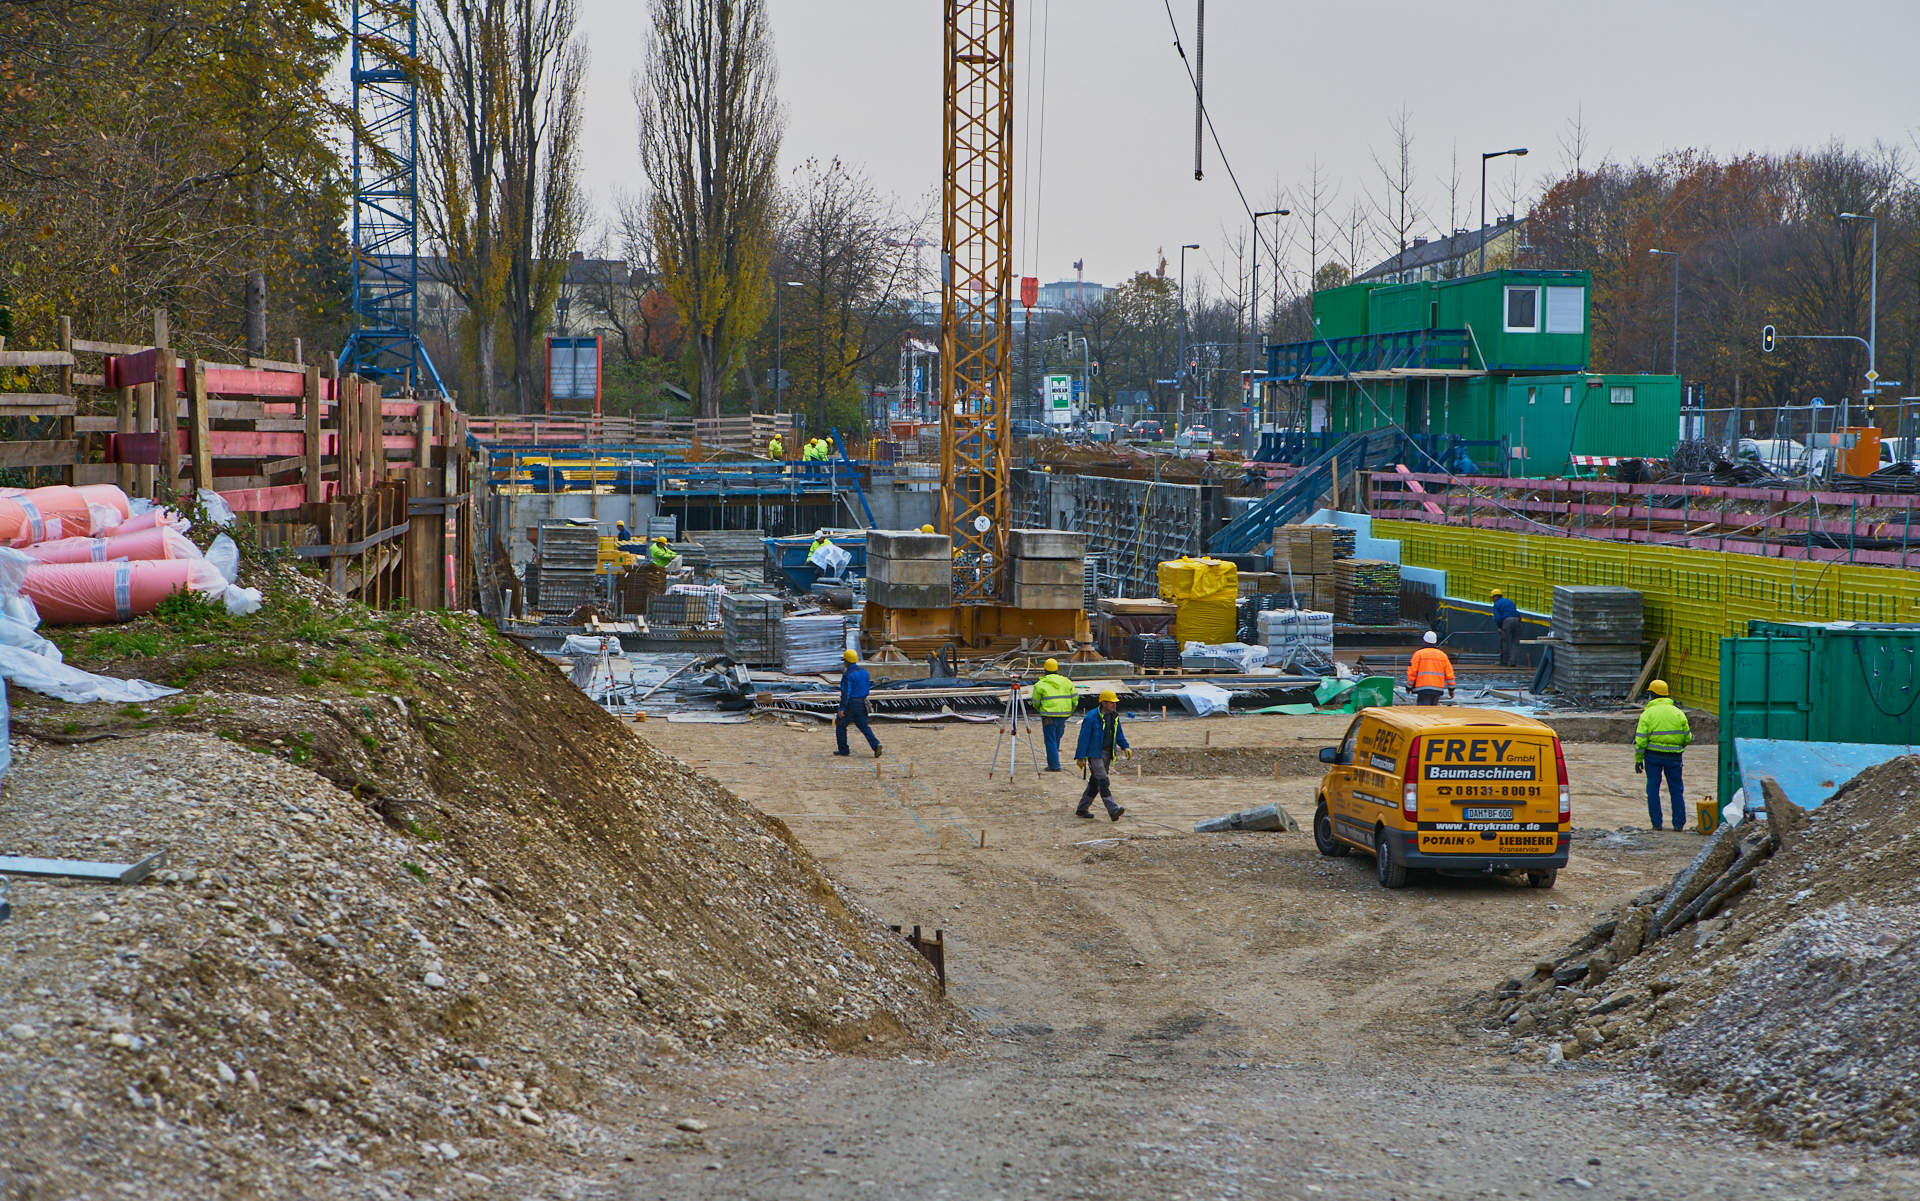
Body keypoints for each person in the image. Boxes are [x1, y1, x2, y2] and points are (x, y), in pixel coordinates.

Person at [1634, 679, 1692, 831]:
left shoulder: (1647, 714)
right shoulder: (1678, 713)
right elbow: (1687, 737)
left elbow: (1640, 741)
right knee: (1676, 790)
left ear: (1652, 695)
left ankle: (1657, 824)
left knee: (1653, 789)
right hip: (1674, 757)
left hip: (1652, 758)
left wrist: (1638, 760)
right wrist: (1678, 747)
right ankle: (1679, 824)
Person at [1072, 690, 1129, 822]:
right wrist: (1080, 756)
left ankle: (1082, 809)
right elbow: (1083, 738)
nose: (1114, 705)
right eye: (1112, 702)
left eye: (1115, 702)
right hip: (1094, 754)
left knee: (1094, 782)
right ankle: (1113, 809)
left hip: (1108, 753)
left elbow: (1118, 733)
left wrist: (1125, 746)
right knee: (1103, 781)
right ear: (1103, 703)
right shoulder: (1091, 717)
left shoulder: (1114, 716)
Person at [1028, 658, 1078, 772]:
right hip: (1063, 716)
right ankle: (1054, 762)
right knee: (1056, 739)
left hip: (1048, 715)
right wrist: (1069, 712)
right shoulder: (1067, 682)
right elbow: (1075, 699)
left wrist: (1041, 710)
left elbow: (1035, 702)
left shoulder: (1040, 684)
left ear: (1045, 670)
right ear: (1057, 669)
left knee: (1050, 740)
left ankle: (1054, 765)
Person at [834, 648, 882, 758]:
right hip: (862, 703)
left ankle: (843, 750)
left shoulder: (848, 675)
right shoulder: (865, 672)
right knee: (864, 727)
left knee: (841, 725)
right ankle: (876, 745)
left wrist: (842, 709)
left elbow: (846, 693)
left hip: (850, 704)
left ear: (846, 662)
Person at [1407, 630, 1456, 706]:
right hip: (1437, 690)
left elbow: (1412, 672)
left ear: (1424, 641)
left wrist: (1408, 687)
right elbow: (1450, 675)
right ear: (1435, 642)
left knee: (1423, 713)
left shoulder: (1418, 654)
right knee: (1433, 712)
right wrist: (1451, 690)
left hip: (1422, 689)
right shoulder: (1442, 655)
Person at [1491, 588, 1521, 666]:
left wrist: (1500, 627)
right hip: (1517, 620)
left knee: (1505, 641)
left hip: (1507, 621)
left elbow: (1498, 618)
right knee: (1515, 642)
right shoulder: (1509, 602)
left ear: (1494, 597)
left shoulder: (1497, 604)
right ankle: (1513, 661)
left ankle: (1504, 662)